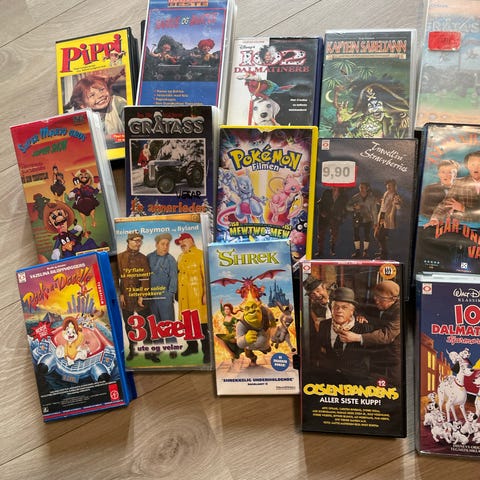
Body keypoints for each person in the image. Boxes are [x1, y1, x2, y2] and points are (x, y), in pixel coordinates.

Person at [338, 280, 401, 386]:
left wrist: (357, 337)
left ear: (393, 299)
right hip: (376, 356)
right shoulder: (377, 303)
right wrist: (361, 315)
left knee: (391, 387)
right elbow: (360, 308)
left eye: (381, 299)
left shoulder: (399, 311)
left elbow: (387, 335)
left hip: (392, 359)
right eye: (376, 296)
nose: (376, 301)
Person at [117, 232, 159, 363]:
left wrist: (142, 295)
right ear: (128, 241)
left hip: (141, 296)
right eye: (135, 240)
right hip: (126, 297)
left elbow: (146, 278)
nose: (138, 243)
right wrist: (120, 293)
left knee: (146, 324)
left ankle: (149, 352)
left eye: (140, 241)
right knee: (129, 324)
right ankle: (133, 350)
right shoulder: (120, 257)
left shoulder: (143, 258)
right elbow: (115, 277)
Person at [314, 287, 371, 380]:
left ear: (352, 311)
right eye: (336, 307)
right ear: (331, 309)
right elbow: (319, 351)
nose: (339, 310)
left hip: (356, 380)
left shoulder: (364, 328)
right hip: (328, 379)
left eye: (344, 307)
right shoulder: (324, 325)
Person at [64, 71, 127, 147]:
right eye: (92, 95)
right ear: (83, 105)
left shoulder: (117, 103)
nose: (100, 95)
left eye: (102, 90)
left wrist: (108, 139)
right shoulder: (84, 119)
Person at [175, 232, 210, 363]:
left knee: (201, 324)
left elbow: (206, 275)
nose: (181, 244)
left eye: (183, 241)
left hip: (197, 296)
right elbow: (179, 276)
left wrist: (206, 293)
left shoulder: (201, 254)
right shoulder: (180, 257)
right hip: (184, 296)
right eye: (180, 243)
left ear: (191, 240)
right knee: (187, 323)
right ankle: (192, 347)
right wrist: (177, 293)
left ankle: (207, 352)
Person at [425, 150, 480, 226]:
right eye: (472, 164)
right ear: (467, 166)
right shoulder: (459, 182)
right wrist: (435, 219)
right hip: (464, 225)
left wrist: (463, 208)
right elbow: (446, 203)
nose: (476, 167)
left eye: (479, 164)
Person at [147, 233, 178, 346]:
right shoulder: (149, 257)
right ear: (156, 244)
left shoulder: (170, 259)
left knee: (168, 323)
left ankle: (172, 346)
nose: (165, 247)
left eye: (167, 244)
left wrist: (170, 294)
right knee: (155, 323)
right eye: (163, 244)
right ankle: (158, 347)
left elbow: (174, 278)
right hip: (151, 297)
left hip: (165, 297)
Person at [347, 182, 378, 258]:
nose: (361, 189)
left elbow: (374, 211)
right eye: (360, 187)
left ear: (367, 188)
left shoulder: (371, 198)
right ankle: (357, 251)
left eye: (363, 187)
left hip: (368, 218)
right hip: (357, 218)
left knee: (366, 235)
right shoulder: (355, 197)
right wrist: (354, 207)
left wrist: (375, 222)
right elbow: (347, 207)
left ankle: (365, 251)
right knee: (356, 234)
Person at [315, 186, 348, 257]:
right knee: (321, 234)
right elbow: (320, 203)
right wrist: (321, 212)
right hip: (324, 216)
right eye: (333, 186)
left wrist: (342, 217)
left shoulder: (343, 196)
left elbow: (345, 208)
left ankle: (332, 249)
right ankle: (320, 251)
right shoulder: (327, 192)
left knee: (334, 234)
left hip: (335, 217)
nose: (334, 188)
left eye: (336, 186)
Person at [374, 179, 402, 259]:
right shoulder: (386, 193)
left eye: (390, 185)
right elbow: (384, 204)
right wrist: (378, 202)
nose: (388, 187)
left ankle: (384, 254)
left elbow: (399, 207)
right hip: (381, 216)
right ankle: (382, 251)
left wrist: (397, 203)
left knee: (380, 235)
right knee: (377, 234)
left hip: (387, 217)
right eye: (388, 185)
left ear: (394, 186)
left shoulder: (396, 195)